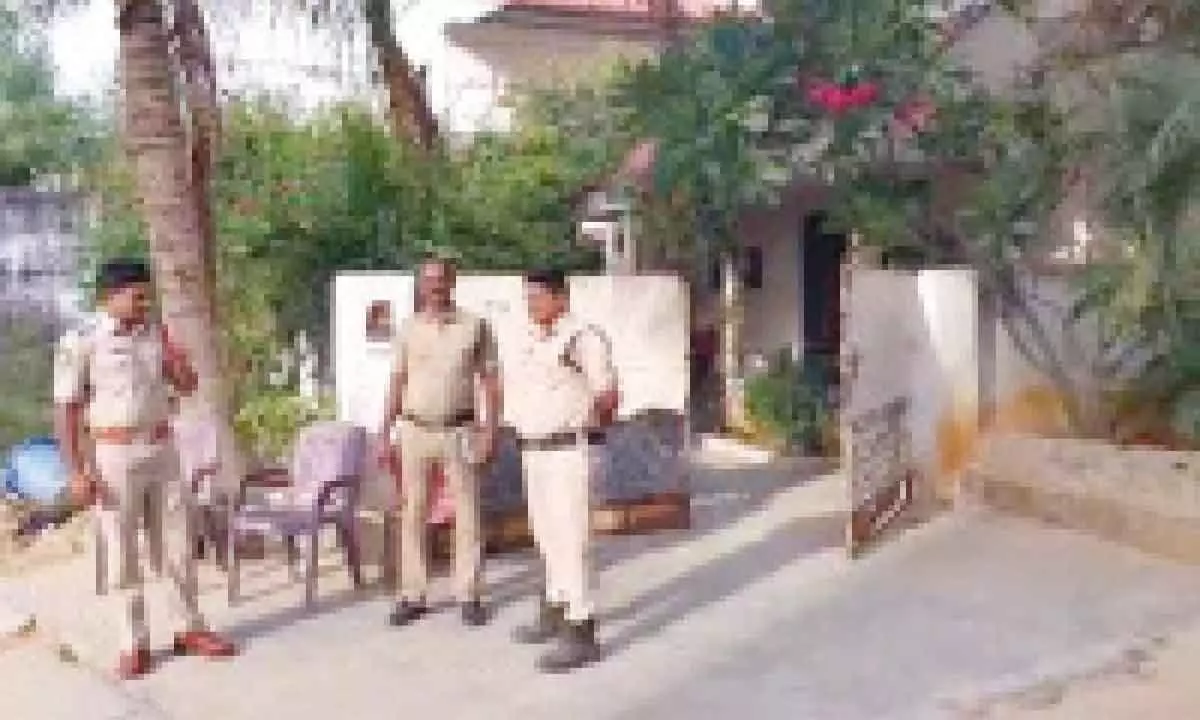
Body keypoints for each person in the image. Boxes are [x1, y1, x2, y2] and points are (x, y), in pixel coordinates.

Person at [53, 259, 236, 680]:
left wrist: (177, 358)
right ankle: (132, 643)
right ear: (109, 297)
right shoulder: (81, 340)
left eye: (146, 295)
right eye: (137, 296)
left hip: (161, 449)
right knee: (122, 551)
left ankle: (188, 628)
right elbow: (66, 409)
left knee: (176, 543)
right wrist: (78, 472)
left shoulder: (156, 333)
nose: (144, 303)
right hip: (112, 455)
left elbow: (187, 387)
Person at [377, 255, 501, 627]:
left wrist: (489, 431)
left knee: (467, 512)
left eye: (440, 280)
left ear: (452, 283)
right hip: (415, 430)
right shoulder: (408, 329)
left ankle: (470, 593)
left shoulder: (475, 327)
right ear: (420, 285)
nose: (433, 287)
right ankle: (413, 594)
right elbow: (397, 381)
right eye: (427, 281)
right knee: (412, 512)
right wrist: (385, 431)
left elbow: (490, 383)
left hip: (459, 430)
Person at [506, 268, 618, 673]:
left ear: (560, 298)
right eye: (528, 297)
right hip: (535, 450)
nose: (531, 304)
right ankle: (555, 606)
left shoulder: (582, 338)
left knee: (573, 540)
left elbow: (608, 395)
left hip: (568, 450)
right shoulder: (533, 340)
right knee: (546, 535)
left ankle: (582, 628)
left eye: (538, 296)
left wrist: (589, 427)